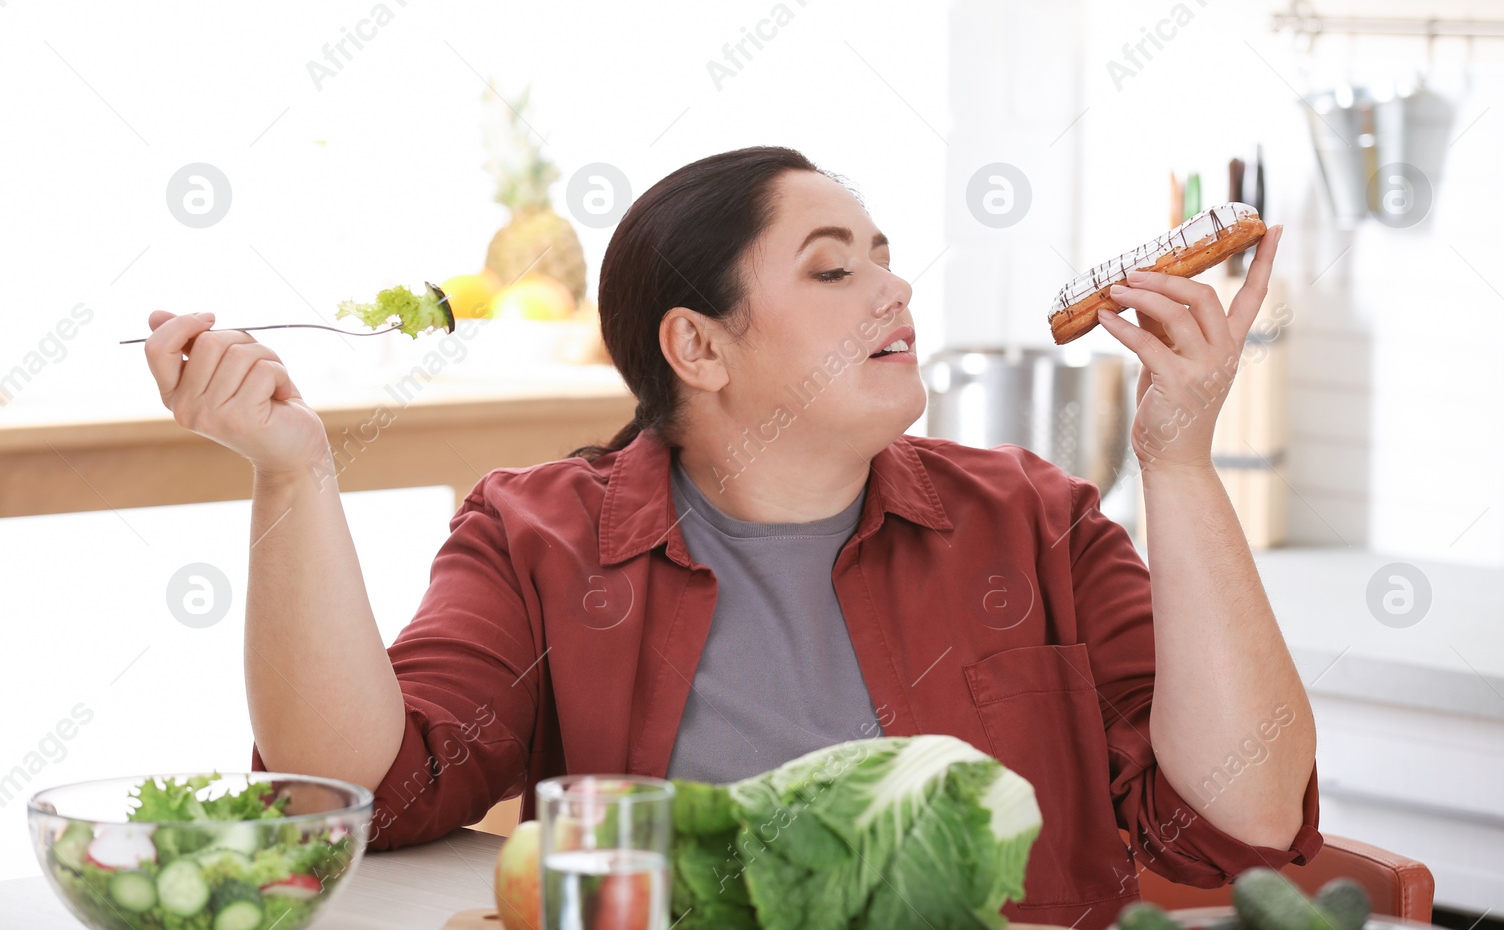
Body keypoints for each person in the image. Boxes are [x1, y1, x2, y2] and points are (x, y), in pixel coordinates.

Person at [140, 144, 1319, 928]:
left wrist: (1176, 455)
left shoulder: (1034, 521)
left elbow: (1239, 814)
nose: (894, 290)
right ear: (697, 348)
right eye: (832, 267)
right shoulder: (540, 535)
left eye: (887, 257)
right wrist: (293, 474)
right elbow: (360, 794)